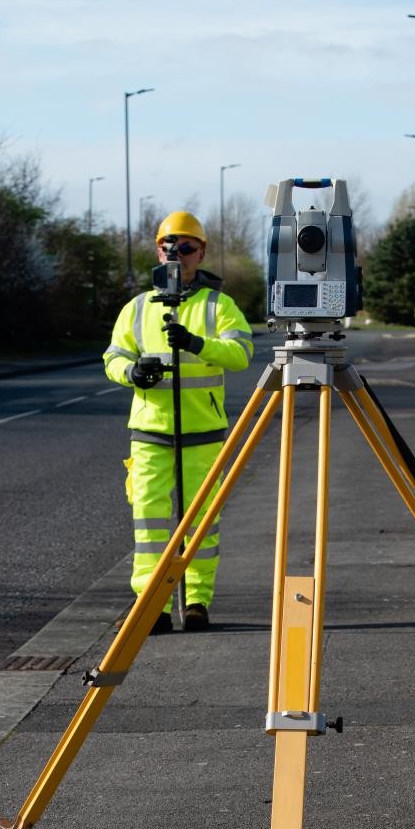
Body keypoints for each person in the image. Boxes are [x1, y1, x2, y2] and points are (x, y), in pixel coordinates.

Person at [103, 210, 254, 633]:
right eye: (171, 246)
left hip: (202, 432)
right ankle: (151, 604)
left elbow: (241, 354)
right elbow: (114, 356)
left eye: (188, 247)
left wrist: (195, 343)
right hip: (150, 431)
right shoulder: (136, 308)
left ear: (201, 252)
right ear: (158, 249)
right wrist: (130, 373)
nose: (179, 254)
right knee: (149, 523)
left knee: (201, 521)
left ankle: (197, 602)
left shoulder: (218, 306)